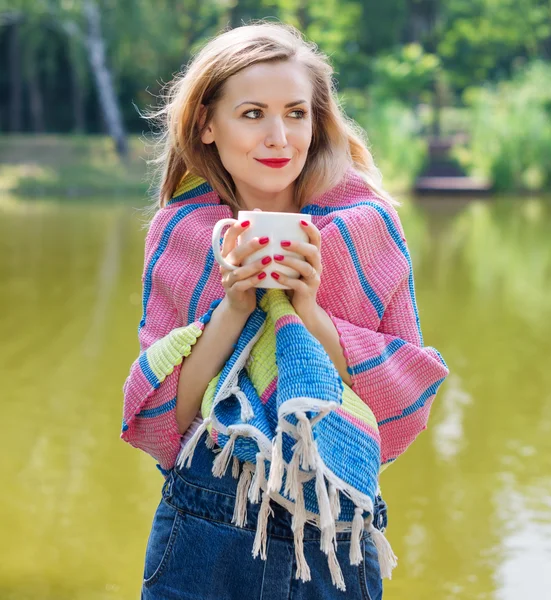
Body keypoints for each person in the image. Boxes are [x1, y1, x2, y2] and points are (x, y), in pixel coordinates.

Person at [121, 20, 449, 600]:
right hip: (205, 525)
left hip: (334, 525)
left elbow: (397, 397)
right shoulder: (180, 234)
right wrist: (233, 307)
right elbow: (167, 417)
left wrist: (309, 311)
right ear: (207, 124)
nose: (279, 137)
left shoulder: (367, 229)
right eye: (252, 114)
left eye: (296, 114)